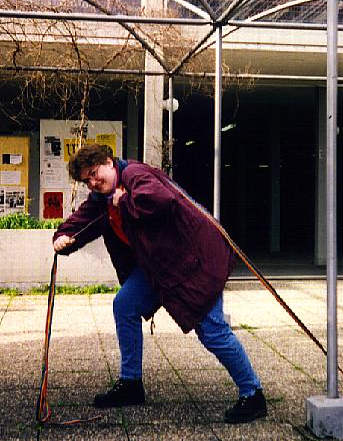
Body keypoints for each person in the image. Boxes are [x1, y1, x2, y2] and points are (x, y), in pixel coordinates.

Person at [53, 144, 267, 424]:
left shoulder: (135, 175)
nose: (93, 182)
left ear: (109, 162)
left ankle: (253, 394)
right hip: (158, 267)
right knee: (125, 305)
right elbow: (81, 222)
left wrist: (124, 202)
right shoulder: (102, 197)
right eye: (86, 180)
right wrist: (62, 237)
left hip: (195, 262)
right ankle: (131, 384)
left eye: (94, 173)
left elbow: (161, 200)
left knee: (212, 332)